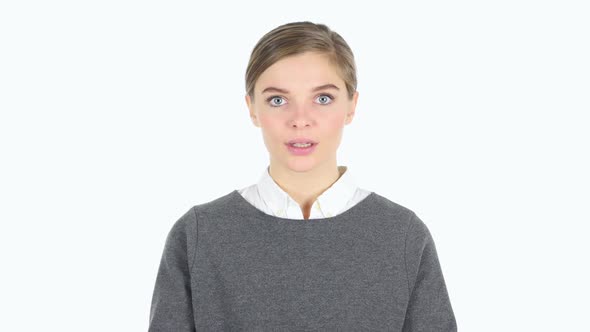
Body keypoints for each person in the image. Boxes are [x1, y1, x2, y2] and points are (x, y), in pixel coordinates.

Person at [148, 21, 457, 331]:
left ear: (352, 106)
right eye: (277, 100)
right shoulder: (199, 235)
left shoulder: (402, 235)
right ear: (252, 108)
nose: (300, 120)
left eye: (322, 98)